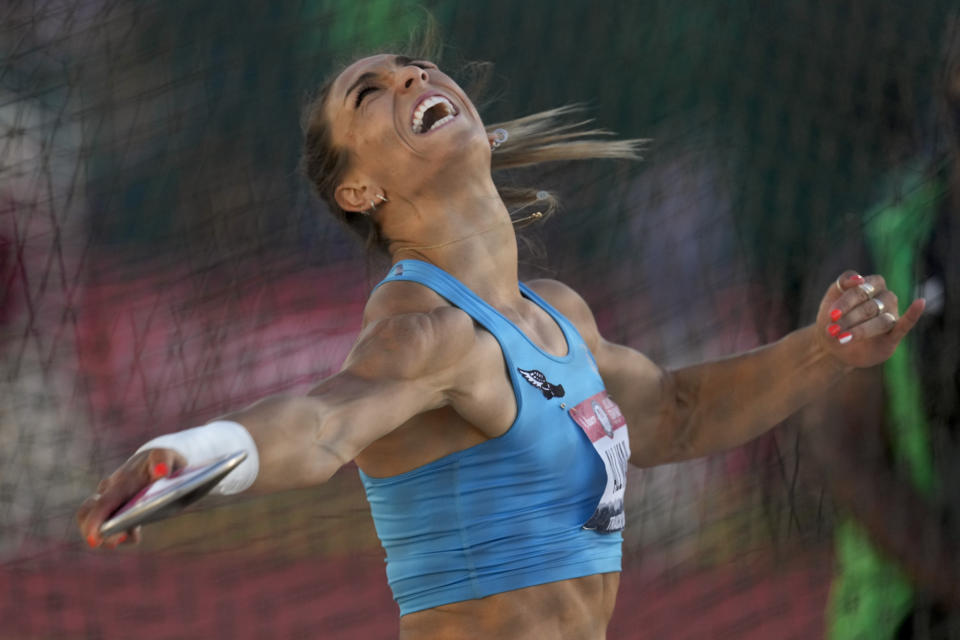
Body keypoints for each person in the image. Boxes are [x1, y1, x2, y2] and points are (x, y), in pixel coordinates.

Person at [76, 54, 925, 640]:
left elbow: (678, 410)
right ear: (359, 188)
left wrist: (823, 351)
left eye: (412, 65)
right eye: (368, 94)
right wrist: (185, 457)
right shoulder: (429, 334)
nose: (409, 75)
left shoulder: (557, 317)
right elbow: (320, 426)